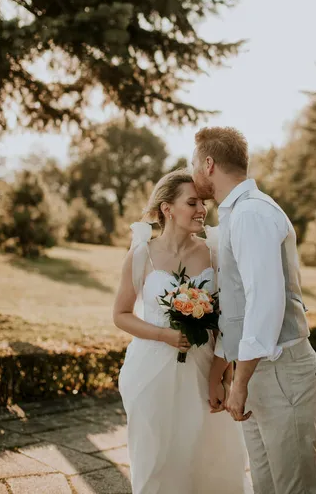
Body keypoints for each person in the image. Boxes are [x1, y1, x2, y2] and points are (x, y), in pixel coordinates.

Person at [192, 127, 316, 494]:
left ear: (209, 163)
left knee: (293, 487)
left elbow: (265, 304)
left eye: (193, 164)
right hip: (258, 373)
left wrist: (241, 381)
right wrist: (225, 369)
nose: (192, 173)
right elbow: (238, 304)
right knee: (267, 486)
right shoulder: (236, 213)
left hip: (282, 374)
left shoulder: (251, 214)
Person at [113, 170, 249, 494]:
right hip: (150, 373)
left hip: (202, 374)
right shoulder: (140, 255)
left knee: (208, 458)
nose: (202, 209)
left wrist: (224, 376)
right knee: (155, 459)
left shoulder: (213, 253)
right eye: (192, 202)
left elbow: (226, 322)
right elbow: (120, 315)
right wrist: (163, 335)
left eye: (203, 202)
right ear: (167, 208)